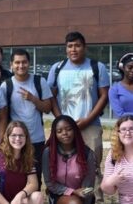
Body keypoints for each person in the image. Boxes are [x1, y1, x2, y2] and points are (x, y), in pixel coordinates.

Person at [47, 31, 110, 203]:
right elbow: (51, 96)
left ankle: (94, 199)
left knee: (93, 166)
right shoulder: (57, 68)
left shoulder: (97, 67)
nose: (73, 49)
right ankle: (65, 197)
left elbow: (104, 96)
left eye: (77, 45)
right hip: (63, 127)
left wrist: (88, 119)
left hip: (90, 126)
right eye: (70, 46)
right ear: (66, 49)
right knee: (62, 164)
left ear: (84, 47)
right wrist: (62, 120)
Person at [0, 49, 53, 188]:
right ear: (11, 64)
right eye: (17, 62)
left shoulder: (39, 81)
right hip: (15, 140)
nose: (21, 65)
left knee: (35, 177)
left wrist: (33, 99)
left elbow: (47, 107)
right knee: (15, 177)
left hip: (36, 139)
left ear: (29, 63)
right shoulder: (6, 85)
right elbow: (3, 114)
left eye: (24, 62)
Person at [0, 121, 44, 204]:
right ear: (7, 137)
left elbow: (34, 184)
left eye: (21, 135)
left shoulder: (27, 157)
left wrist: (20, 195)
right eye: (13, 135)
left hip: (16, 201)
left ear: (26, 138)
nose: (17, 139)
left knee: (38, 196)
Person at [42, 115, 96, 204]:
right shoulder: (48, 152)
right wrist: (72, 192)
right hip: (59, 193)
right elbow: (49, 182)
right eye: (59, 131)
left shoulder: (87, 153)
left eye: (69, 129)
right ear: (54, 134)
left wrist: (81, 193)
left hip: (82, 194)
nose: (64, 133)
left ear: (75, 131)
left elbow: (89, 182)